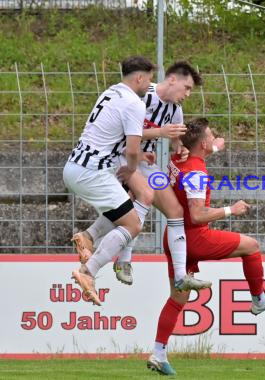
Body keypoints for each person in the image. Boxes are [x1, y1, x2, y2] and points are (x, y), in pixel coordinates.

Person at [146, 118, 265, 375]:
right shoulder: (197, 173)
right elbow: (197, 214)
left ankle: (158, 353)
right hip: (195, 237)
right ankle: (259, 300)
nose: (215, 137)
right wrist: (232, 209)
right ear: (203, 143)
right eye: (211, 136)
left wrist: (214, 147)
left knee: (178, 299)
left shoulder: (179, 157)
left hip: (174, 237)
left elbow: (196, 151)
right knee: (251, 246)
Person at [71, 62, 212, 292]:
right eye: (186, 88)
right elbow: (123, 133)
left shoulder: (175, 110)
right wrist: (160, 133)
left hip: (143, 162)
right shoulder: (141, 96)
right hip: (120, 158)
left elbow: (176, 140)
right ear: (172, 80)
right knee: (141, 197)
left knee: (175, 211)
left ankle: (180, 276)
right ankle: (122, 260)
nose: (187, 94)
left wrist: (181, 148)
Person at [63, 56, 155, 305]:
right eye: (149, 79)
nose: (149, 84)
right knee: (133, 224)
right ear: (139, 78)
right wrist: (132, 168)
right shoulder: (134, 103)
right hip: (92, 172)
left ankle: (88, 237)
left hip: (76, 166)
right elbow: (133, 149)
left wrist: (133, 159)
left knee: (128, 203)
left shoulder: (110, 93)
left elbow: (110, 137)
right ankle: (87, 272)